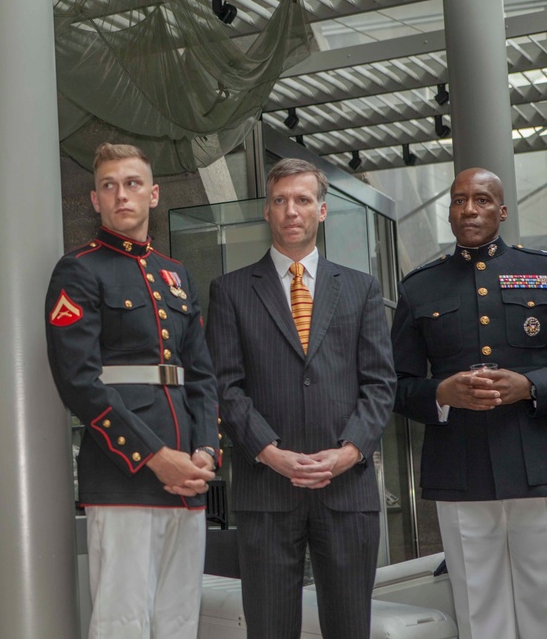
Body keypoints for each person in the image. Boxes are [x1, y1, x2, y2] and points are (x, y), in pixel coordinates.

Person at [206, 158, 395, 638]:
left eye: (303, 199)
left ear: (323, 210)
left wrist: (348, 452)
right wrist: (272, 454)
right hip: (266, 489)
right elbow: (226, 386)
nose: (292, 210)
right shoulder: (229, 292)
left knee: (350, 628)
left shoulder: (361, 289)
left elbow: (379, 384)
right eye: (280, 200)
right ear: (266, 212)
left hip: (347, 489)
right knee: (269, 629)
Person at [44, 142, 219, 639]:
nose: (121, 195)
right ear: (96, 200)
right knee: (122, 623)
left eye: (132, 183)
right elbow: (78, 380)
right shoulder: (78, 270)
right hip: (125, 472)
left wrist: (204, 450)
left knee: (180, 622)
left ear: (154, 195)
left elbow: (201, 376)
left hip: (188, 476)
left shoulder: (176, 275)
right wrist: (155, 455)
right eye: (109, 186)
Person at [391, 167, 547, 638]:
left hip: (536, 467)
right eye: (459, 200)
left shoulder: (540, 272)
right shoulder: (419, 287)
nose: (469, 209)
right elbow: (394, 383)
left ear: (502, 210)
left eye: (481, 200)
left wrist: (529, 385)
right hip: (459, 468)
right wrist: (440, 392)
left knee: (543, 600)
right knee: (478, 607)